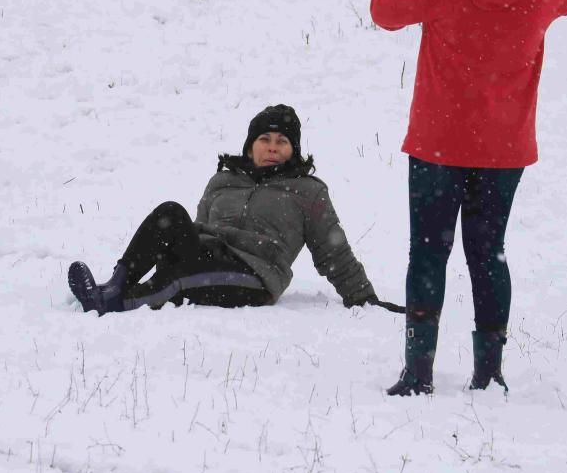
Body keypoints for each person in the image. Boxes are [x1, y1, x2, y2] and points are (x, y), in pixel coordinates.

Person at [370, 0, 567, 396]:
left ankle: (417, 373)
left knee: (428, 252)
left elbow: (383, 9)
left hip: (438, 141)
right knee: (490, 253)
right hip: (505, 146)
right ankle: (489, 373)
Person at [68, 105, 403, 316]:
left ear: (293, 151)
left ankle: (120, 304)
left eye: (282, 142)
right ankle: (115, 286)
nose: (272, 147)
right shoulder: (222, 181)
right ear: (251, 145)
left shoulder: (308, 192)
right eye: (265, 140)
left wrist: (364, 299)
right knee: (170, 213)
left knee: (182, 278)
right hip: (210, 252)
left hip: (254, 275)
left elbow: (335, 252)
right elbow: (195, 229)